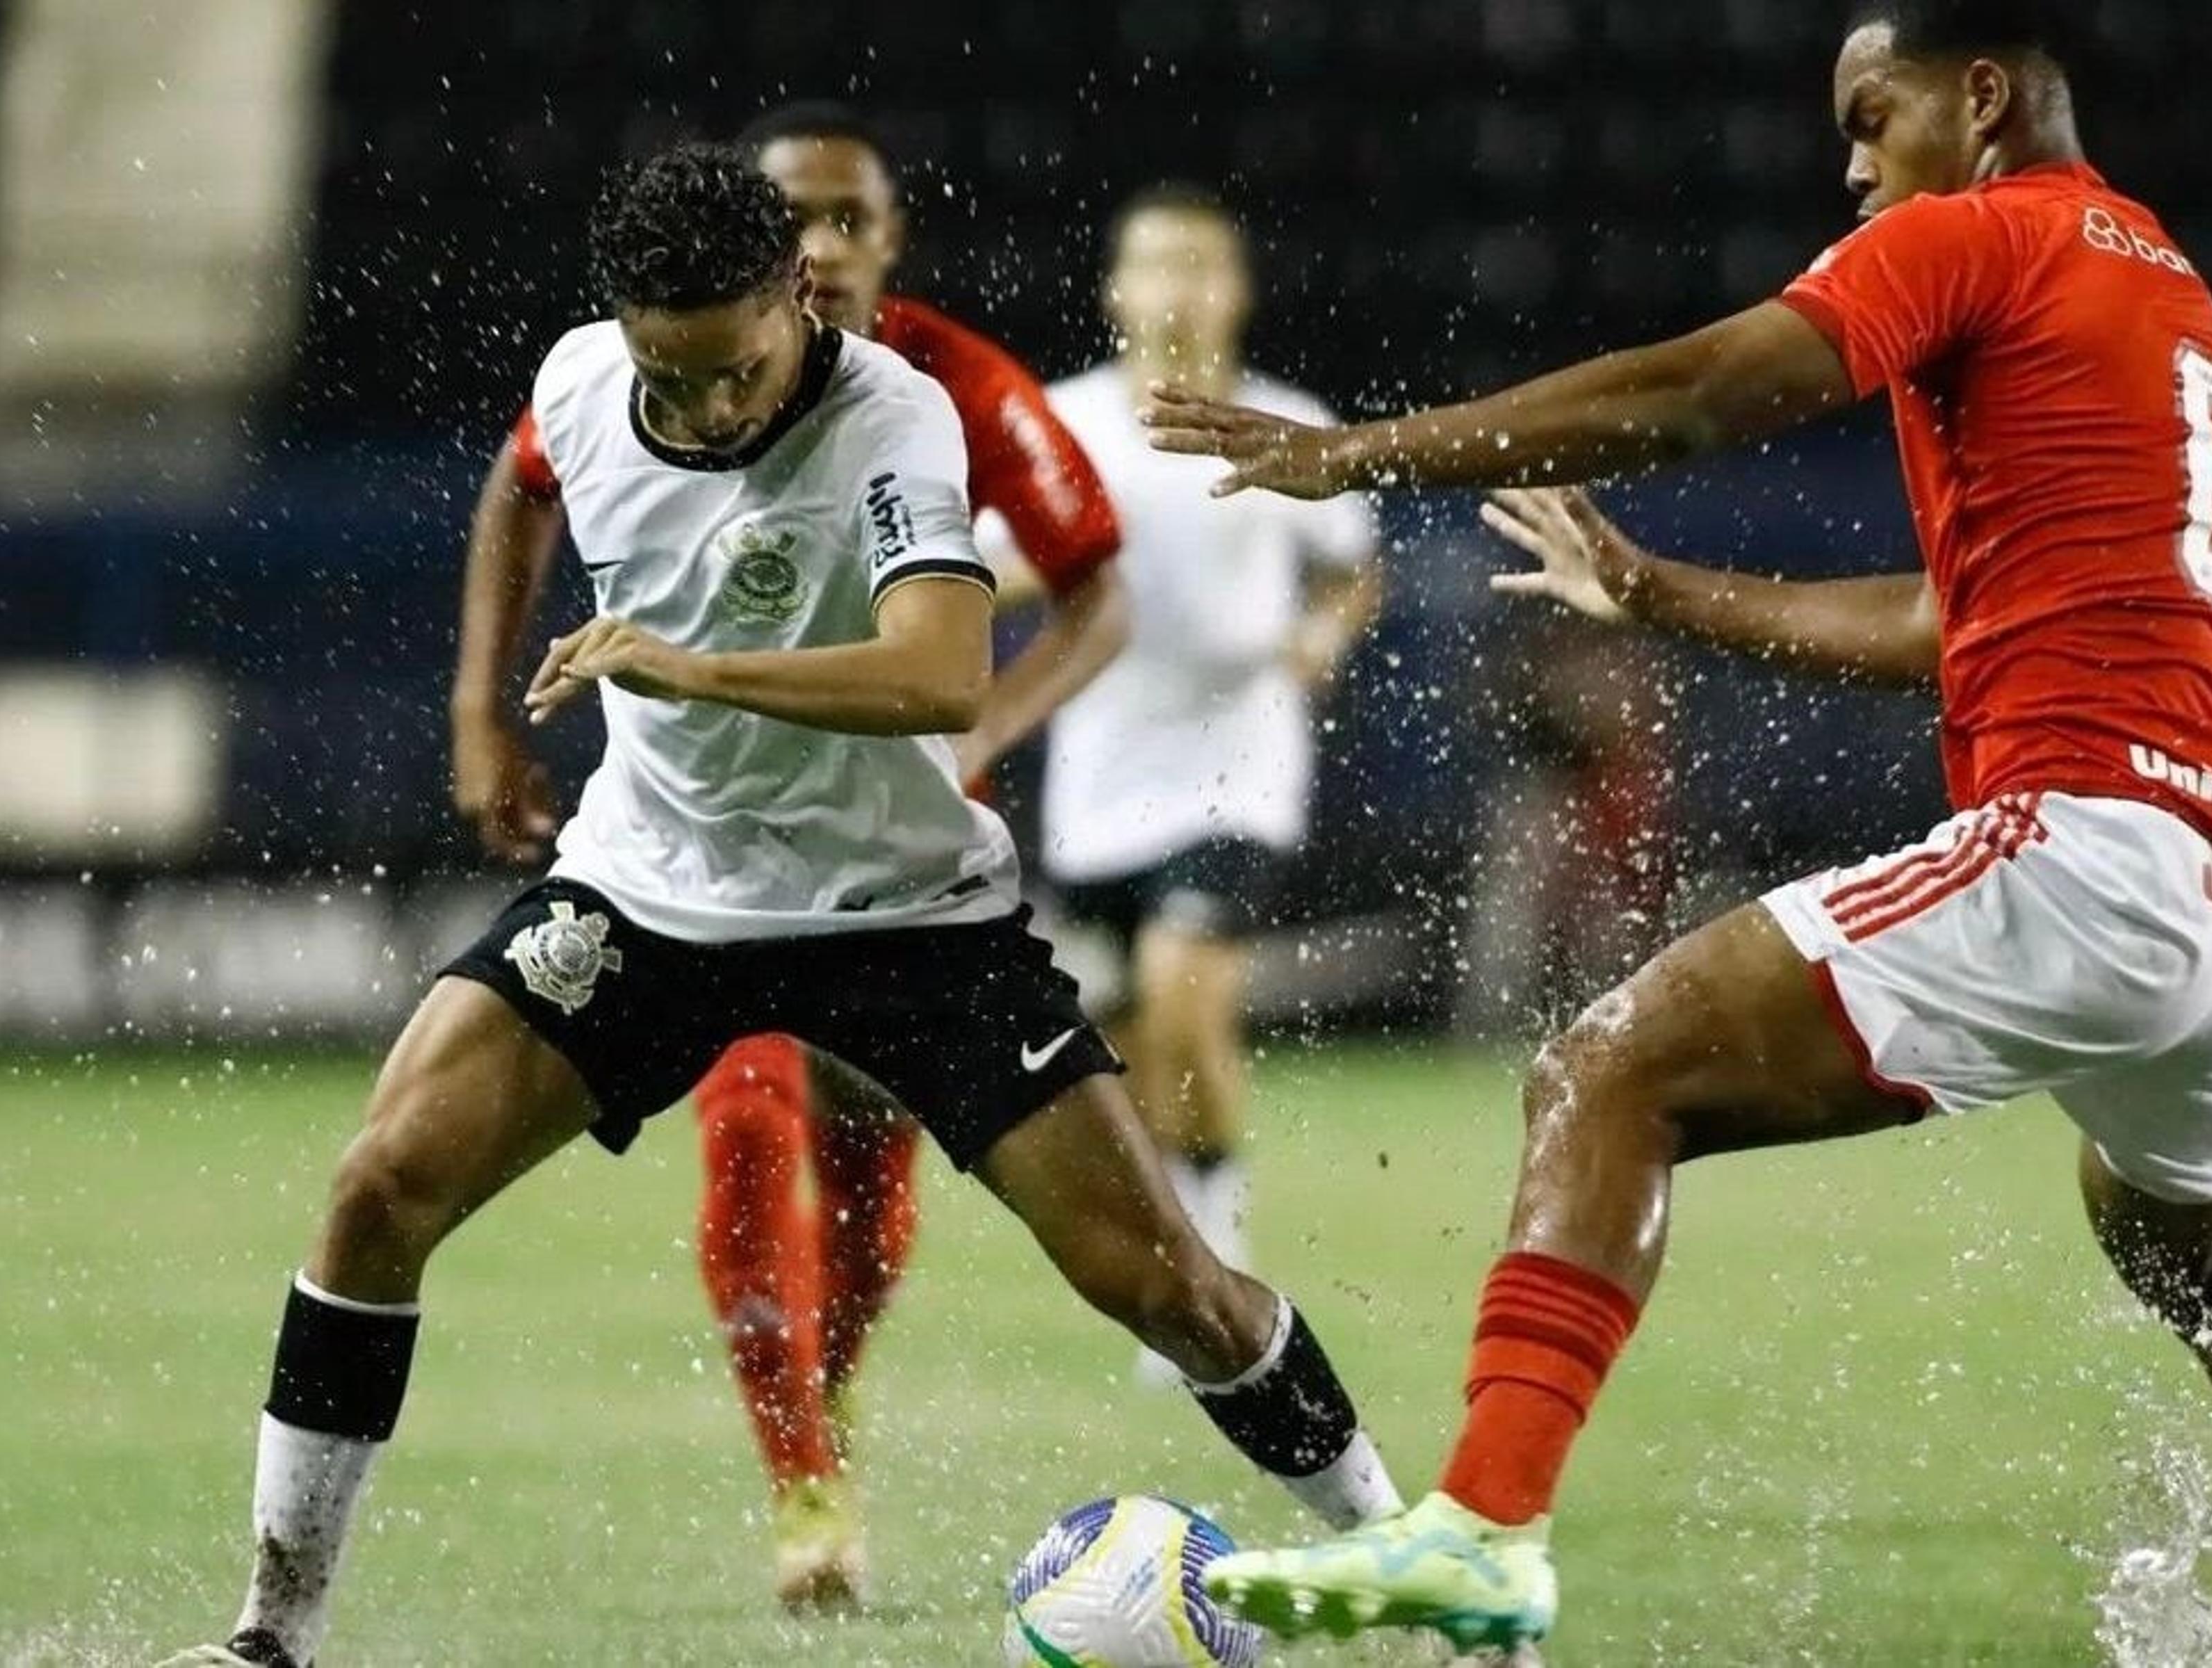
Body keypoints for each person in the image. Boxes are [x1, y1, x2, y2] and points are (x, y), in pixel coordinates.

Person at [1140, 4, 2212, 1662]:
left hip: (2099, 855)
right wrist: (1653, 591)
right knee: (2188, 1252)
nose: (1851, 163)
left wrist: (1366, 453)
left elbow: (1702, 391)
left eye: (1876, 116)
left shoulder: (1979, 230)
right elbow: (1949, 615)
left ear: (1981, 97)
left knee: (1605, 1072)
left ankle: (1485, 1532)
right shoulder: (2157, 281)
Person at [158, 141, 1397, 1668]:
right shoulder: (584, 380)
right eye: (667, 380)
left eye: (732, 371)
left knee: (1171, 1293)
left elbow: (943, 670)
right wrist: (480, 709)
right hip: (651, 890)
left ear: (793, 300)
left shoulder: (894, 416)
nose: (705, 411)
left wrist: (687, 666)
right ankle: (268, 1638)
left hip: (900, 914)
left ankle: (1412, 1569)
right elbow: (518, 487)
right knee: (377, 1191)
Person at [447, 103, 1132, 1608]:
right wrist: (480, 712)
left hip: (885, 865)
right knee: (749, 1130)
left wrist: (977, 732)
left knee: (872, 1173)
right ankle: (803, 1475)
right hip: (701, 865)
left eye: (851, 222)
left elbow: (1099, 592)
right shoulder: (643, 371)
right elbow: (522, 483)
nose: (823, 247)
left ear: (890, 242)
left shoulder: (953, 389)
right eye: (796, 222)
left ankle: (830, 1397)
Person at [1027, 186, 1381, 1378]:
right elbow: (996, 563)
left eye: (1199, 267)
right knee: (1126, 1052)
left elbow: (1348, 569)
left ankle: (1218, 1255)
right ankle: (1179, 1250)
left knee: (1189, 995)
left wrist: (1322, 638)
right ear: (1116, 292)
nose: (1176, 291)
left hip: (1240, 760)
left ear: (1235, 291)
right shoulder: (1061, 425)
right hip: (1101, 771)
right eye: (1152, 267)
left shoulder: (1286, 425)